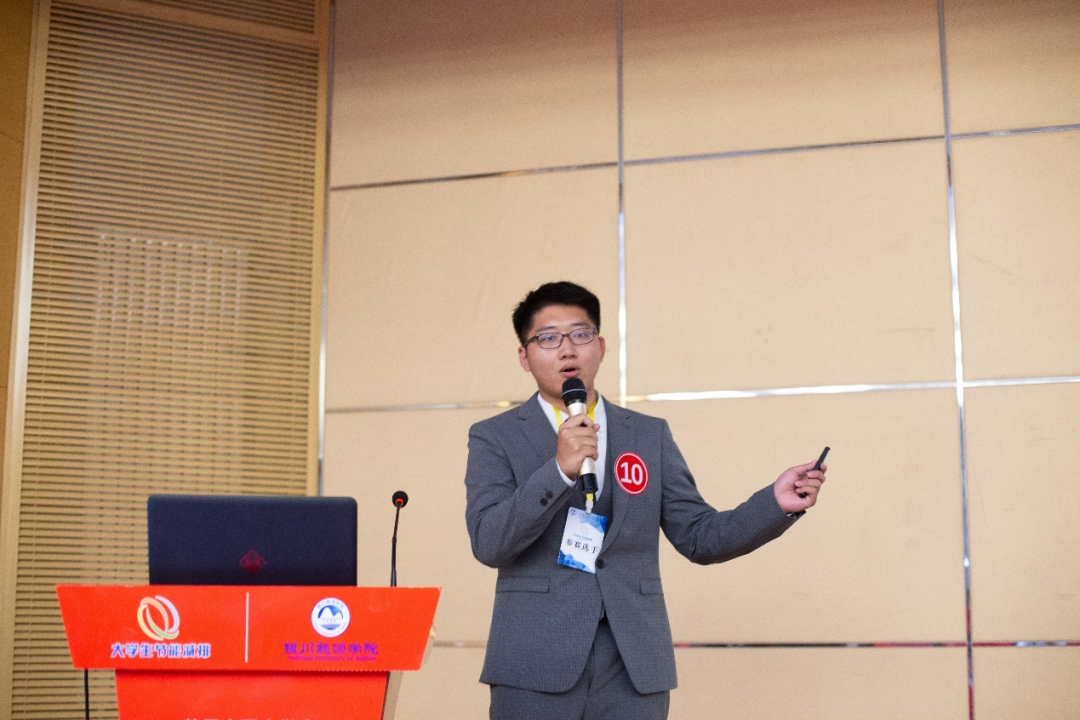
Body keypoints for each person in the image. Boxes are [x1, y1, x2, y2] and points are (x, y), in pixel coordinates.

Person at [464, 281, 826, 720]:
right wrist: (558, 471)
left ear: (600, 347)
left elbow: (700, 537)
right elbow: (489, 542)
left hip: (633, 666)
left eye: (580, 334)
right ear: (525, 356)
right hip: (535, 664)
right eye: (548, 338)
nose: (567, 350)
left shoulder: (649, 435)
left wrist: (775, 503)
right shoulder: (495, 437)